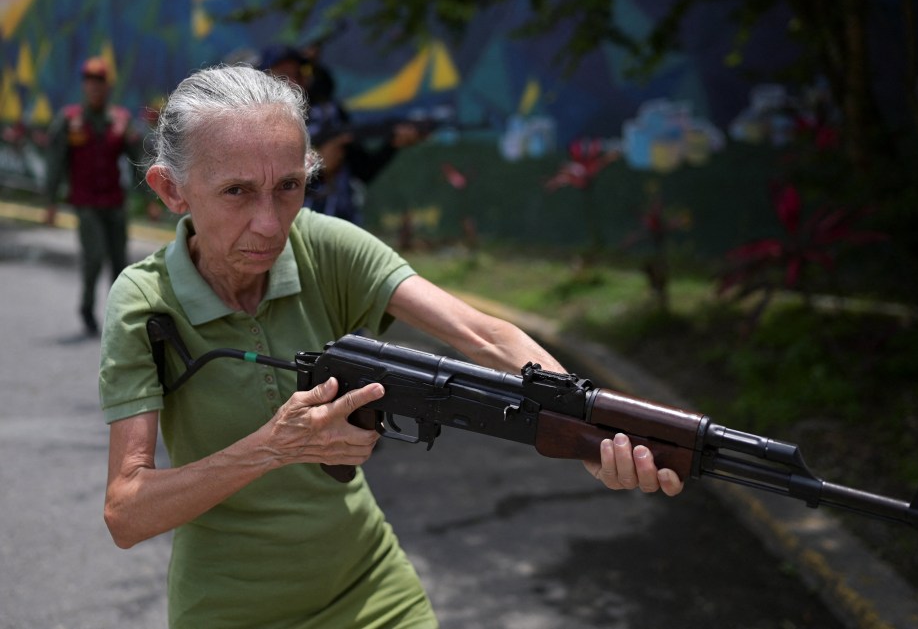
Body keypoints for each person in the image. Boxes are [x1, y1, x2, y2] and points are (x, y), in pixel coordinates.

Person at [99, 65, 683, 629]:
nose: (271, 224)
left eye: (289, 187)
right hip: (229, 614)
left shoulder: (323, 247)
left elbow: (482, 334)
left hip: (372, 591)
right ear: (171, 190)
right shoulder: (145, 304)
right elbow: (126, 512)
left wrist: (590, 431)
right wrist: (272, 447)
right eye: (236, 192)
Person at [258, 44, 422, 225]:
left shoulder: (331, 115)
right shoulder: (253, 125)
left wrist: (392, 145)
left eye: (299, 74)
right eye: (283, 75)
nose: (294, 82)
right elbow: (258, 186)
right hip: (288, 231)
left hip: (341, 227)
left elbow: (363, 171)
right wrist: (317, 170)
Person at [45, 56, 145, 335]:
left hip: (114, 202)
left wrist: (150, 199)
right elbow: (55, 162)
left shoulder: (120, 121)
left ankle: (120, 313)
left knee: (119, 260)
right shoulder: (70, 121)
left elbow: (138, 161)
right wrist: (51, 200)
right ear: (84, 87)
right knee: (94, 255)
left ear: (108, 87)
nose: (95, 88)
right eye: (90, 83)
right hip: (86, 202)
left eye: (100, 82)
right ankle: (87, 308)